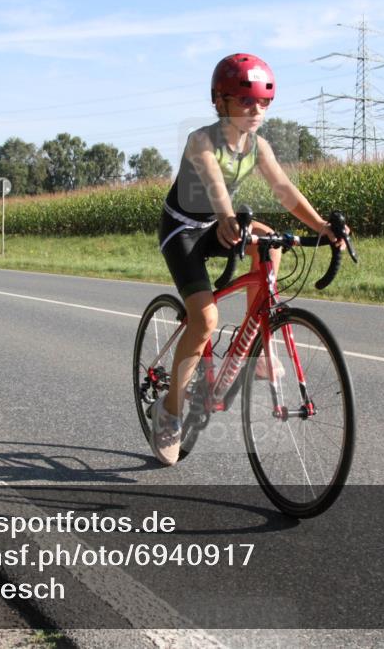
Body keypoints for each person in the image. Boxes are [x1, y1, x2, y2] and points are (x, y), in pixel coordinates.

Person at [149, 53, 347, 466]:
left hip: (224, 224)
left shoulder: (259, 146)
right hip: (184, 229)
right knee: (204, 321)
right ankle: (169, 410)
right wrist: (225, 218)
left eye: (264, 102)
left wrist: (323, 226)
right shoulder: (201, 141)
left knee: (272, 242)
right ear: (220, 102)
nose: (255, 111)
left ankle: (262, 345)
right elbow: (216, 185)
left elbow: (285, 190)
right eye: (245, 101)